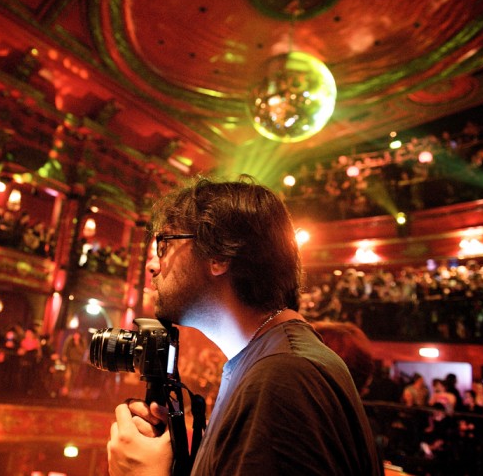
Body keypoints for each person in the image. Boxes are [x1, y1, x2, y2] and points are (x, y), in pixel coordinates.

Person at [106, 177, 382, 476]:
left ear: (220, 255)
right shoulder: (266, 362)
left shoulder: (282, 376)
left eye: (164, 244)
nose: (152, 265)